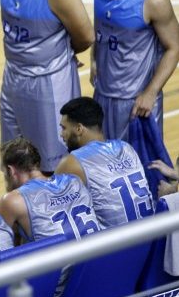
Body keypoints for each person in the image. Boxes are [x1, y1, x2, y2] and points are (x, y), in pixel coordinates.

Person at [0, 0, 94, 174]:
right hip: (13, 76)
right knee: (13, 157)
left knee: (52, 162)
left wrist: (60, 53)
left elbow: (85, 35)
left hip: (48, 80)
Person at [91, 0, 179, 140]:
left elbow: (175, 47)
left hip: (136, 101)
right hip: (103, 92)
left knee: (141, 168)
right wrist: (94, 59)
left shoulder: (154, 0)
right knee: (107, 164)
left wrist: (151, 92)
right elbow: (101, 27)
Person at [55, 97, 154, 228]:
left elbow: (52, 209)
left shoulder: (72, 162)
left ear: (79, 129)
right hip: (153, 236)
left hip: (117, 245)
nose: (62, 135)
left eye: (64, 128)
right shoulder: (126, 148)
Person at [0, 137, 101, 245]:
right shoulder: (75, 181)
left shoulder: (13, 200)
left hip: (60, 261)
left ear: (11, 170)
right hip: (98, 255)